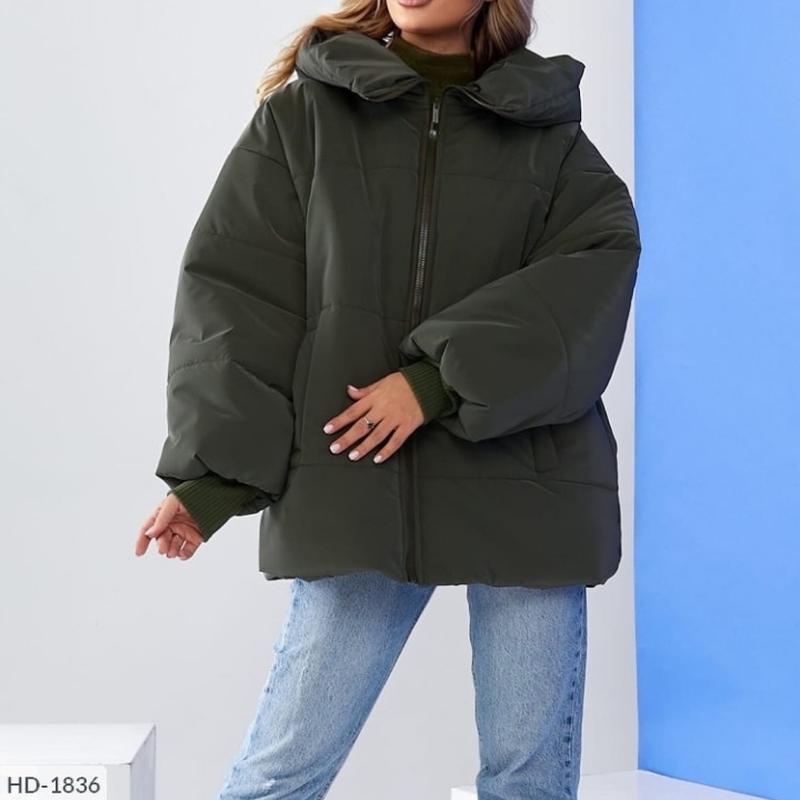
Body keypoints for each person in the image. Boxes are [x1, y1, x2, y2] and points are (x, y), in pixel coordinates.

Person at [135, 0, 641, 797]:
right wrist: (212, 480)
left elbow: (590, 279)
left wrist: (434, 380)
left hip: (527, 482)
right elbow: (237, 299)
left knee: (529, 782)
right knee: (278, 777)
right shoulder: (305, 118)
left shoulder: (546, 131)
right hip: (358, 474)